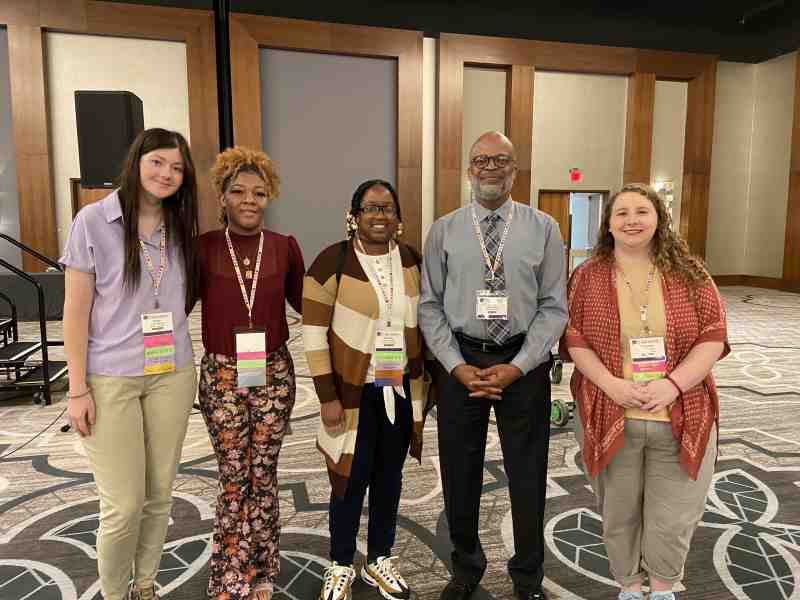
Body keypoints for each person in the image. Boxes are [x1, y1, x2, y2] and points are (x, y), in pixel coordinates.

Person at [560, 183, 729, 600]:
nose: (632, 220)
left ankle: (664, 585)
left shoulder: (690, 272)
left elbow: (713, 336)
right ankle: (631, 586)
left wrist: (672, 385)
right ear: (609, 223)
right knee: (619, 513)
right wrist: (614, 385)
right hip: (609, 410)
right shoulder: (588, 275)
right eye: (622, 213)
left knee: (672, 515)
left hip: (681, 410)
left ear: (658, 219)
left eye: (641, 211)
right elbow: (574, 338)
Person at [419, 131, 568, 600]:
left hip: (523, 364)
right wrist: (455, 365)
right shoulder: (443, 229)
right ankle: (465, 568)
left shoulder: (544, 227)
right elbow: (429, 306)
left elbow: (554, 307)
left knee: (528, 473)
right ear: (469, 169)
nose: (489, 167)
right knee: (459, 471)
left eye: (500, 160)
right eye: (480, 160)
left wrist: (521, 365)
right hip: (460, 361)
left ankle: (527, 578)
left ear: (514, 170)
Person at [61, 128, 200, 600]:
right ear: (137, 161)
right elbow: (75, 311)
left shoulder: (181, 224)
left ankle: (145, 585)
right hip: (109, 377)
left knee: (159, 494)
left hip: (172, 374)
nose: (167, 174)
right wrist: (76, 390)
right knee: (123, 503)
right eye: (158, 162)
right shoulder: (93, 220)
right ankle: (116, 593)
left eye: (177, 168)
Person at [303, 179, 427, 600]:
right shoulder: (331, 261)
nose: (380, 216)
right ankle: (340, 562)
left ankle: (379, 558)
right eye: (371, 208)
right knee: (348, 479)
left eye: (388, 208)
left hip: (397, 388)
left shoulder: (411, 260)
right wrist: (327, 397)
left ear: (398, 217)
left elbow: (420, 325)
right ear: (354, 215)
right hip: (351, 394)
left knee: (389, 477)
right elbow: (313, 335)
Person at [196, 146, 304, 600]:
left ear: (269, 197)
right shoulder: (202, 247)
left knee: (264, 472)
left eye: (259, 193)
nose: (249, 200)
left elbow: (311, 307)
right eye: (238, 191)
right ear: (221, 196)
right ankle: (229, 572)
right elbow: (169, 304)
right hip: (221, 373)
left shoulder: (284, 247)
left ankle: (262, 569)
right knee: (233, 473)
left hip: (273, 374)